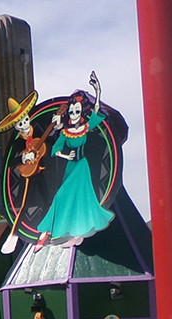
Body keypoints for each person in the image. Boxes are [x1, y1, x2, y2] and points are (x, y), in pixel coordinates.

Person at [34, 71, 114, 252]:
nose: (74, 113)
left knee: (81, 199)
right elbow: (55, 150)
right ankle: (46, 231)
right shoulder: (65, 131)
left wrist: (98, 91)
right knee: (61, 197)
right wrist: (64, 156)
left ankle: (76, 235)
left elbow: (97, 113)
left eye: (77, 111)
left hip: (82, 167)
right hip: (71, 167)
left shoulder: (86, 127)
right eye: (72, 111)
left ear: (82, 111)